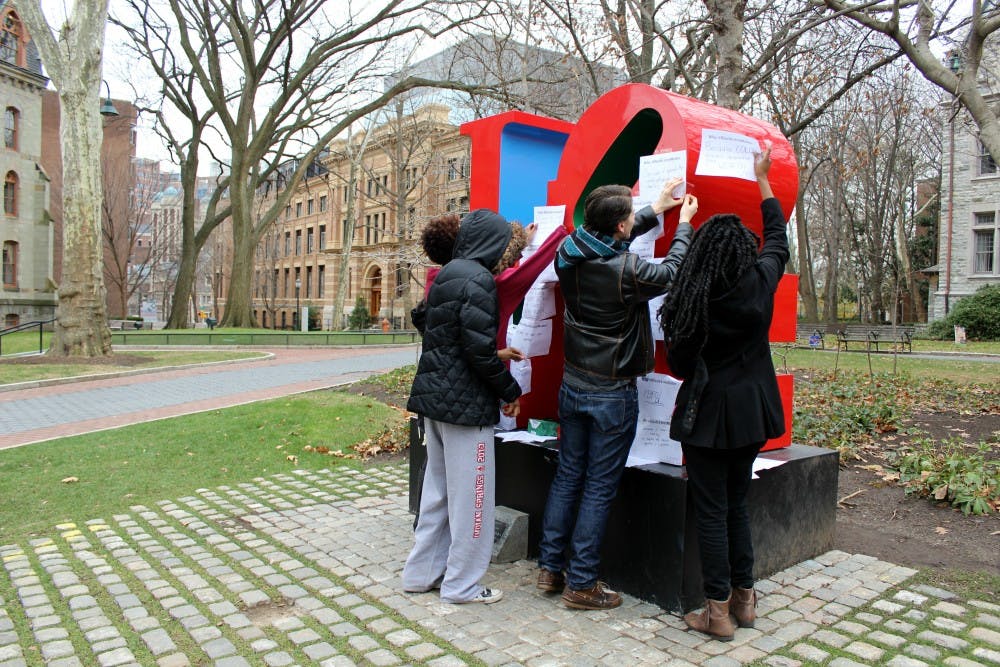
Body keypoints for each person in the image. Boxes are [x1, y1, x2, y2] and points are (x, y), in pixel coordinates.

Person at [537, 177, 698, 610]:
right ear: (621, 228)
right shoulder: (625, 270)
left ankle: (551, 568)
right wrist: (682, 225)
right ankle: (582, 584)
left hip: (573, 385)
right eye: (630, 216)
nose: (632, 221)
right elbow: (670, 272)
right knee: (599, 486)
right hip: (612, 393)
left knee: (569, 476)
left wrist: (654, 210)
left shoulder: (568, 253)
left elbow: (606, 240)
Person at [659, 141, 787, 640]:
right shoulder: (760, 280)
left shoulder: (692, 301)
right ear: (743, 252)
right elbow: (778, 238)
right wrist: (763, 180)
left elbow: (682, 364)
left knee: (712, 511)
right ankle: (745, 600)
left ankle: (716, 613)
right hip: (753, 412)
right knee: (737, 505)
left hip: (709, 416)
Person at [402, 208, 526, 604]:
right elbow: (479, 352)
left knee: (436, 493)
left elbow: (438, 330)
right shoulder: (480, 281)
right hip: (465, 408)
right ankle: (462, 585)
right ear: (491, 242)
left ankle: (420, 574)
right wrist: (510, 391)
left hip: (433, 402)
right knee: (473, 498)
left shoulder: (447, 274)